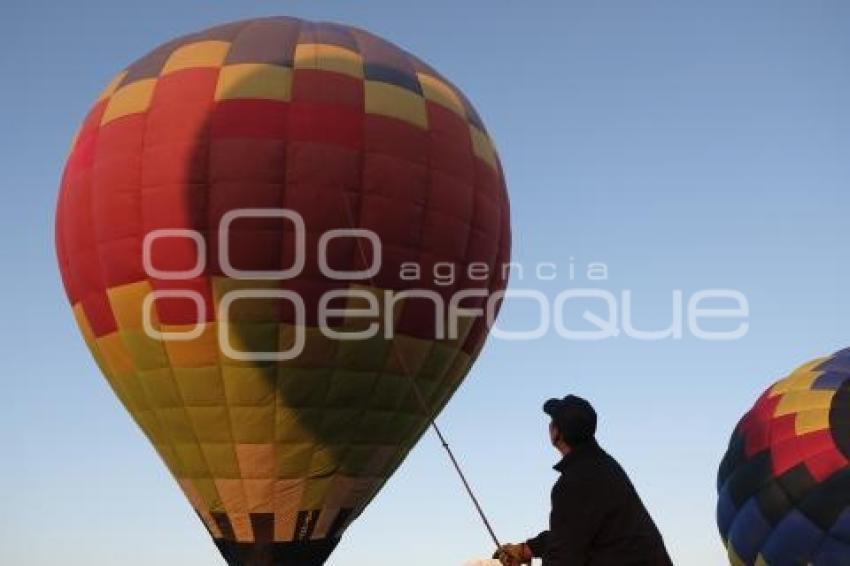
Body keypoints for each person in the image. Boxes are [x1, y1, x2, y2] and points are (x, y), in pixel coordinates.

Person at [494, 395, 673, 566]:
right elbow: (574, 534)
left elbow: (563, 558)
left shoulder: (574, 482)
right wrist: (528, 549)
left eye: (552, 421)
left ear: (557, 433)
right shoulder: (603, 466)